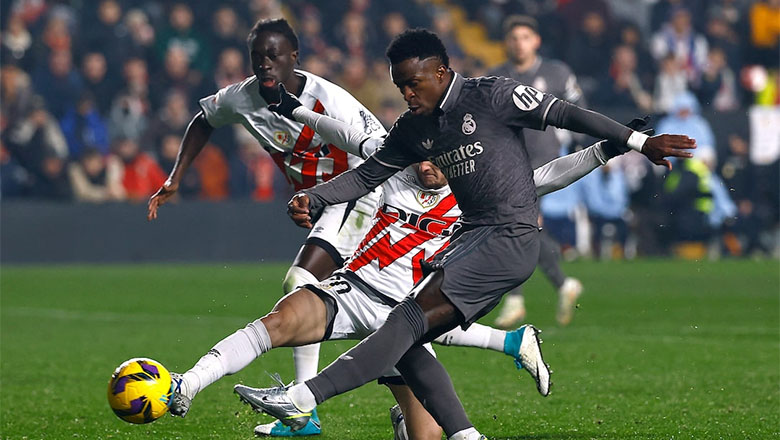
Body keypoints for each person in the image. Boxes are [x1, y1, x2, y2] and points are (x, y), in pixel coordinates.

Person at [237, 29, 695, 440]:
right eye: (400, 86)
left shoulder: (493, 96)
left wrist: (632, 143)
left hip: (509, 238)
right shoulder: (414, 128)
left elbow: (564, 114)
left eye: (414, 83)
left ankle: (302, 398)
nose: (407, 93)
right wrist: (315, 196)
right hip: (470, 240)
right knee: (407, 343)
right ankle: (465, 434)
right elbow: (365, 171)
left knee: (403, 323)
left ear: (441, 72)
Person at [173, 87, 638, 439]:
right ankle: (187, 385)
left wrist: (605, 149)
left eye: (438, 159)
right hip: (354, 290)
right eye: (424, 157)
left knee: (427, 434)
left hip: (409, 320)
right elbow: (344, 133)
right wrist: (296, 111)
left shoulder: (480, 189)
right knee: (278, 319)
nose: (428, 165)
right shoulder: (395, 161)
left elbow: (549, 176)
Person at [146, 18, 387, 435]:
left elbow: (378, 154)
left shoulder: (330, 100)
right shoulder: (242, 97)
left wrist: (324, 198)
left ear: (294, 56)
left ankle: (301, 407)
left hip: (363, 195)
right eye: (257, 57)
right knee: (390, 313)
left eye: (273, 56)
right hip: (322, 205)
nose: (265, 64)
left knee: (303, 283)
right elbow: (204, 119)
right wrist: (175, 177)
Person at [488, 15, 587, 327]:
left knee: (510, 223)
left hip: (543, 160)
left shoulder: (557, 73)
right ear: (506, 43)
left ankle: (515, 299)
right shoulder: (495, 77)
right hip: (506, 160)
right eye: (514, 38)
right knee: (520, 226)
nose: (519, 44)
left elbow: (579, 108)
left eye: (525, 37)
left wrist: (580, 143)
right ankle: (562, 284)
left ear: (537, 41)